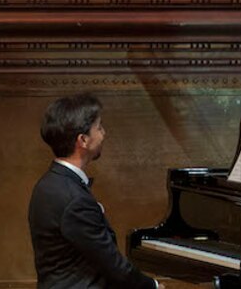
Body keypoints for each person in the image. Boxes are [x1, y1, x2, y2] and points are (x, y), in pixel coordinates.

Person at [28, 93, 160, 289]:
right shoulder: (74, 200)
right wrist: (153, 286)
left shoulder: (47, 184)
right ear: (83, 140)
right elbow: (112, 265)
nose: (104, 133)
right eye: (99, 128)